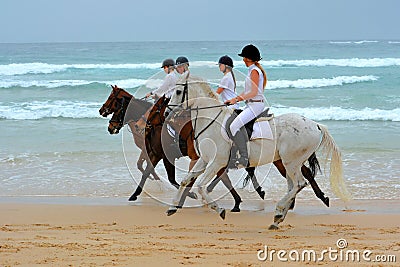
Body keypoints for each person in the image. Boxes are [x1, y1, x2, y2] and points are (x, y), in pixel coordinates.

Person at [224, 44, 267, 167]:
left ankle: (244, 157)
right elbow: (247, 91)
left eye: (244, 57)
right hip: (251, 105)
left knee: (233, 126)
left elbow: (253, 92)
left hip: (255, 106)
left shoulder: (254, 71)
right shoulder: (252, 70)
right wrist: (234, 99)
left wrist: (238, 99)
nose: (243, 59)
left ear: (248, 58)